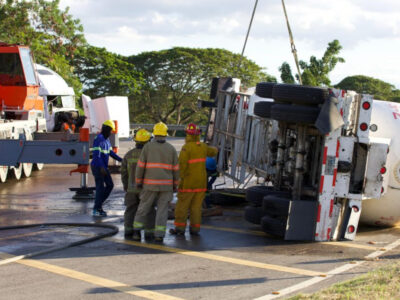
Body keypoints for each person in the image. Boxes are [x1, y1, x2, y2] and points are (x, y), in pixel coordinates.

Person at [132, 122, 179, 242]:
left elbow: (140, 166)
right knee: (162, 211)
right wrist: (175, 185)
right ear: (165, 134)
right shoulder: (171, 149)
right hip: (166, 186)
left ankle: (136, 232)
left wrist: (138, 181)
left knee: (143, 208)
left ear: (155, 133)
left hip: (149, 185)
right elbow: (176, 170)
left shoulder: (148, 147)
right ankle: (159, 235)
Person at [170, 123, 218, 236]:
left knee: (182, 206)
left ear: (187, 134)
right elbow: (213, 151)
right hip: (201, 183)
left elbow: (182, 166)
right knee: (196, 208)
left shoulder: (186, 148)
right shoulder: (203, 146)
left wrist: (177, 181)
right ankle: (195, 229)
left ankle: (180, 229)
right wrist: (216, 148)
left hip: (188, 183)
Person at [121, 128, 155, 239]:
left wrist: (126, 185)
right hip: (145, 189)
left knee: (130, 210)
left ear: (136, 141)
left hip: (131, 189)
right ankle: (149, 233)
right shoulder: (150, 155)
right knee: (148, 210)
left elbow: (124, 173)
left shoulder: (128, 155)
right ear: (147, 142)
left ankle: (129, 231)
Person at [91, 120, 122, 217]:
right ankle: (97, 209)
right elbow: (97, 155)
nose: (111, 133)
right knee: (100, 188)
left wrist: (122, 160)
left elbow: (111, 153)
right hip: (97, 167)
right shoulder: (99, 139)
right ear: (106, 129)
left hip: (103, 167)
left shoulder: (107, 140)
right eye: (110, 131)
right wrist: (101, 167)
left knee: (110, 185)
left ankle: (98, 204)